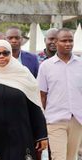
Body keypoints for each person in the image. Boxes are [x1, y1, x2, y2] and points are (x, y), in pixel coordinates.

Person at [37, 28, 82, 160]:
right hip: (55, 120)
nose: (68, 43)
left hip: (77, 119)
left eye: (70, 40)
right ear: (56, 42)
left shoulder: (80, 64)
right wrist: (43, 119)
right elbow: (42, 96)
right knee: (58, 157)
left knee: (71, 157)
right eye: (64, 41)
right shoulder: (46, 66)